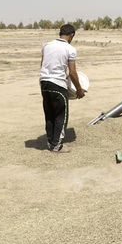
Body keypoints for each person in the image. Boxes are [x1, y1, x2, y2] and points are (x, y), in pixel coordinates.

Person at [39, 24, 84, 153]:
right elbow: (72, 73)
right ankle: (57, 145)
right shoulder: (70, 49)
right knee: (61, 115)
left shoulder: (46, 46)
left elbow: (43, 65)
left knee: (49, 114)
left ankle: (50, 142)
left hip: (44, 83)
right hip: (58, 84)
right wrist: (79, 89)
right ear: (72, 35)